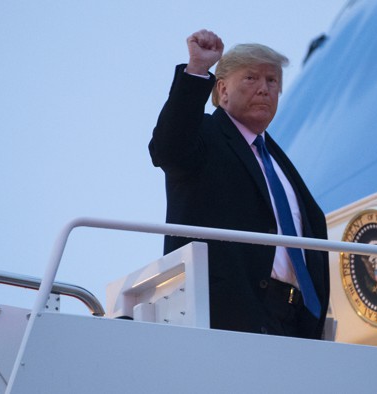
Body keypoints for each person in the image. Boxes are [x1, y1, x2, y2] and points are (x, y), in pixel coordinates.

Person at [149, 29, 330, 339]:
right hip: (228, 315)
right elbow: (168, 148)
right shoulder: (205, 136)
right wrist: (196, 70)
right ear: (222, 90)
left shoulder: (277, 160)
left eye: (272, 81)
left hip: (294, 320)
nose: (264, 89)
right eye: (251, 78)